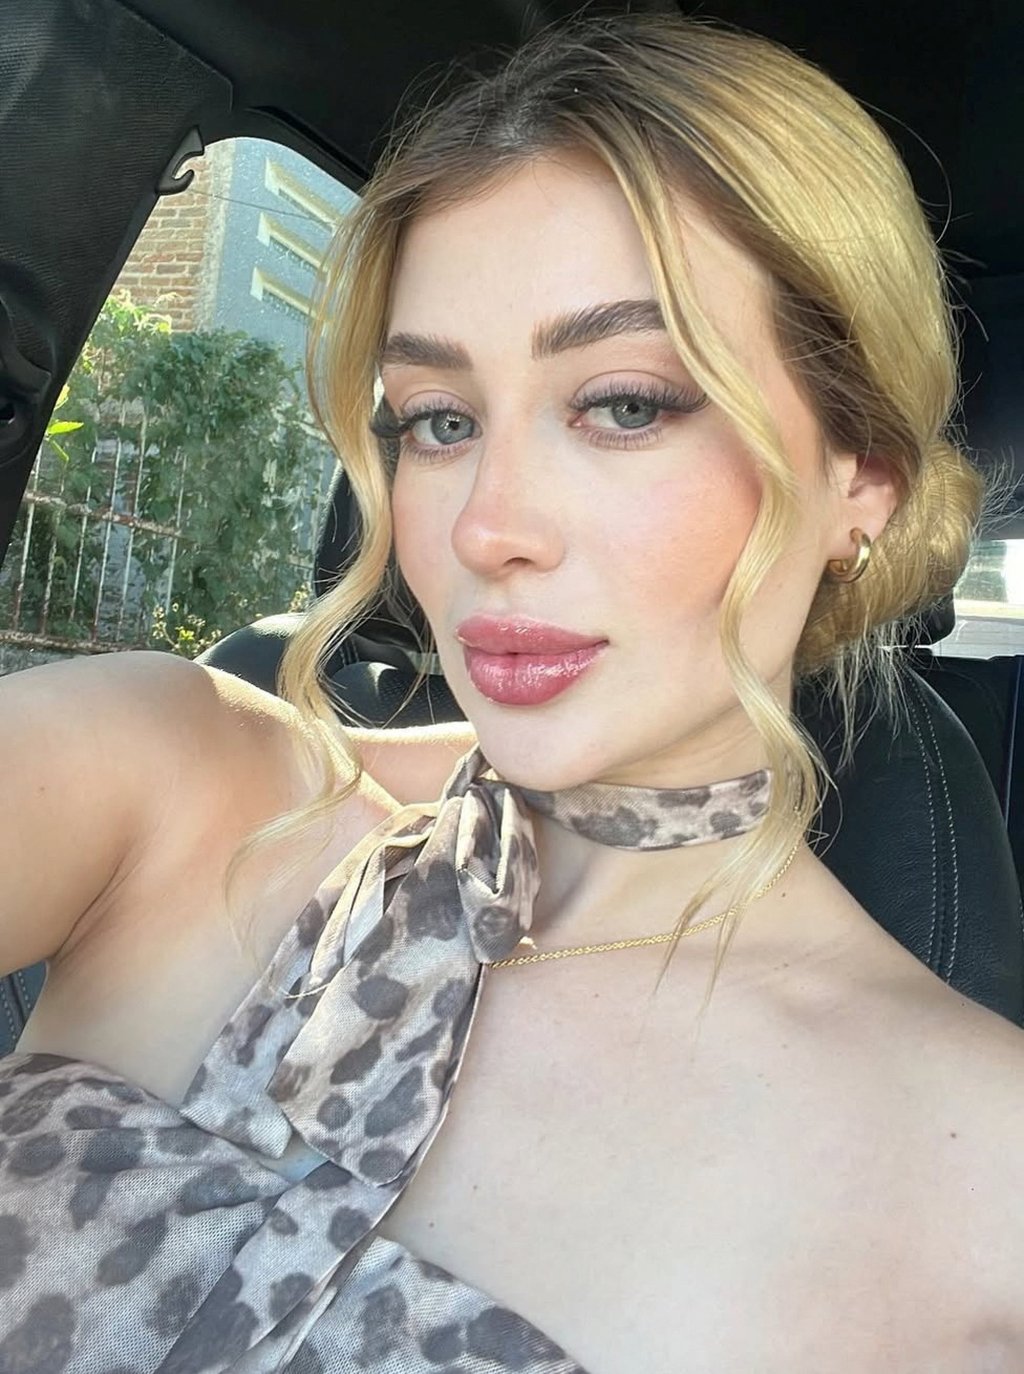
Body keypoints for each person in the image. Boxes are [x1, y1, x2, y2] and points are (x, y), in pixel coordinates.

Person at [1, 11, 1022, 1372]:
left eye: (624, 403)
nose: (487, 527)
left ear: (862, 477)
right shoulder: (179, 771)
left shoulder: (983, 1185)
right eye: (440, 420)